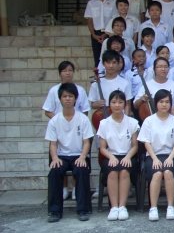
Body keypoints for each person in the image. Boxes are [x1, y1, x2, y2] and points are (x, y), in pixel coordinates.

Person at [45, 83, 95, 223]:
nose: (67, 99)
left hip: (79, 154)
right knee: (54, 172)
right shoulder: (54, 121)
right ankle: (54, 211)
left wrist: (83, 157)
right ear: (60, 99)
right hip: (61, 156)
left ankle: (83, 210)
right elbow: (53, 143)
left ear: (75, 99)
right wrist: (54, 158)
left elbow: (87, 142)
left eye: (70, 96)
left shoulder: (83, 119)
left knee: (81, 170)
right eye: (65, 96)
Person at [138, 89, 174, 221]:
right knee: (157, 173)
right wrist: (154, 159)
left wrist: (170, 158)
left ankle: (170, 206)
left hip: (171, 155)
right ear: (155, 103)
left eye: (167, 102)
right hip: (153, 156)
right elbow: (146, 142)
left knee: (168, 172)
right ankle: (153, 208)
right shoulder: (149, 120)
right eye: (161, 101)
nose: (164, 104)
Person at [97, 90, 139, 221]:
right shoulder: (104, 123)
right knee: (113, 171)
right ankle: (114, 207)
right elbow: (102, 148)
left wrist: (127, 157)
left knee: (125, 171)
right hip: (110, 156)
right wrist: (111, 157)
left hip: (128, 155)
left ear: (125, 104)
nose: (117, 105)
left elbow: (135, 146)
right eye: (114, 102)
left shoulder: (132, 122)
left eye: (120, 102)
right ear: (109, 104)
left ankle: (122, 207)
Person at [89, 50, 133, 117]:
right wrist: (97, 104)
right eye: (108, 62)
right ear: (103, 64)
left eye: (114, 62)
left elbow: (127, 104)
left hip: (120, 117)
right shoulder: (96, 83)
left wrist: (125, 119)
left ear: (118, 64)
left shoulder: (125, 83)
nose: (111, 66)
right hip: (102, 117)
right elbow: (92, 104)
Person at [84, 0, 115, 66]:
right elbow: (89, 20)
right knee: (97, 58)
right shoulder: (91, 3)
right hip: (96, 35)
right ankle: (98, 74)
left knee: (110, 57)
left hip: (109, 33)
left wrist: (106, 33)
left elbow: (114, 19)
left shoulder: (113, 1)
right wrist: (93, 34)